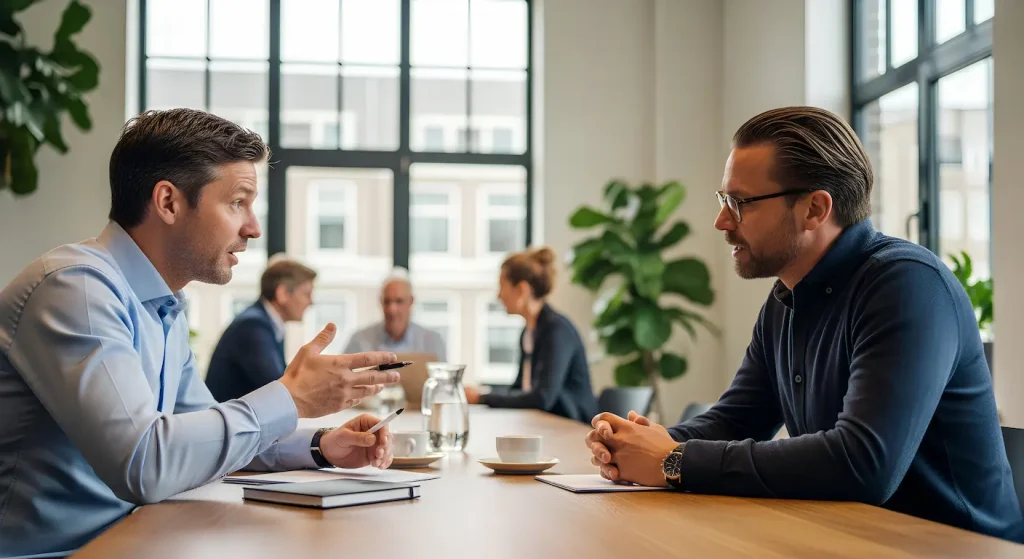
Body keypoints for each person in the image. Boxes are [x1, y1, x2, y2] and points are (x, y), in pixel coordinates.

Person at [584, 106, 1024, 542]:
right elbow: (736, 421)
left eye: (740, 203)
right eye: (724, 201)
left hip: (952, 548)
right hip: (849, 539)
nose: (722, 221)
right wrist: (641, 443)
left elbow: (863, 463)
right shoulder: (785, 300)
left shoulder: (906, 285)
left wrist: (674, 460)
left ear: (815, 208)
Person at [0, 109, 403, 558]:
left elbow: (202, 438)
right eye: (238, 202)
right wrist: (290, 397)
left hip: (134, 539)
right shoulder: (75, 289)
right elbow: (145, 462)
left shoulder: (164, 305)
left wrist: (320, 444)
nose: (253, 228)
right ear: (169, 202)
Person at [464, 247, 599, 424]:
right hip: (545, 424)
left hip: (573, 428)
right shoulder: (528, 333)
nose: (499, 296)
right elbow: (520, 389)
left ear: (521, 289)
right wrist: (483, 392)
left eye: (502, 286)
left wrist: (483, 397)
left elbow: (542, 398)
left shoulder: (556, 331)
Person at [205, 256, 317, 402]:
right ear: (283, 293)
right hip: (228, 422)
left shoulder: (265, 323)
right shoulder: (253, 326)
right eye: (306, 294)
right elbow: (280, 388)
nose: (311, 302)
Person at [344, 267, 446, 360]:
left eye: (399, 301)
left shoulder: (433, 341)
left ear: (411, 301)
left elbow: (444, 379)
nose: (392, 309)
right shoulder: (359, 340)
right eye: (387, 301)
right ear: (380, 302)